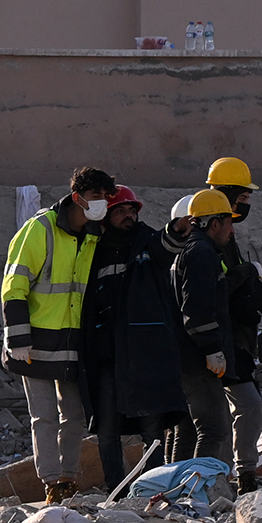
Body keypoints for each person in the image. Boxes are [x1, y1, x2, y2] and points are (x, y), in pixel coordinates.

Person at [0, 165, 113, 497]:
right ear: (77, 198)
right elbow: (14, 285)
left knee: (74, 415)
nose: (101, 203)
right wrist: (18, 337)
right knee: (45, 417)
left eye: (106, 197)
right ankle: (51, 481)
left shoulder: (94, 234)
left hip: (71, 341)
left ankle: (69, 478)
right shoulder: (40, 229)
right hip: (34, 342)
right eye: (95, 197)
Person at [85, 187, 188, 490]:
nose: (129, 216)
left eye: (132, 210)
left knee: (152, 426)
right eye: (121, 210)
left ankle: (151, 488)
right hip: (108, 355)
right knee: (106, 428)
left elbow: (166, 244)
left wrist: (179, 228)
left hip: (146, 353)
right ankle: (115, 489)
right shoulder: (95, 251)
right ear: (106, 216)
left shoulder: (146, 243)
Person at [170, 187, 244, 482]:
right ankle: (199, 490)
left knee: (186, 431)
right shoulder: (201, 253)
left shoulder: (189, 250)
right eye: (228, 222)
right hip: (198, 360)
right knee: (214, 429)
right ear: (214, 224)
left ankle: (172, 489)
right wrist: (213, 348)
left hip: (186, 357)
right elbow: (197, 311)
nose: (231, 229)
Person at [205, 158, 262, 489]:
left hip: (234, 337)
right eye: (242, 197)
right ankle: (232, 475)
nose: (246, 204)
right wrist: (248, 273)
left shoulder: (227, 235)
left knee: (243, 405)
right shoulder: (207, 238)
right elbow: (217, 287)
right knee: (235, 407)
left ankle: (240, 473)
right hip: (218, 338)